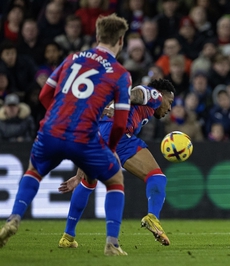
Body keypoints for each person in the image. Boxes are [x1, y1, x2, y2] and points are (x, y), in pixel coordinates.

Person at [0, 14, 132, 256]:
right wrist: (110, 148)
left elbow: (43, 96)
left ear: (97, 36)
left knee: (33, 170)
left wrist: (59, 115)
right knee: (115, 181)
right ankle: (112, 243)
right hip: (84, 136)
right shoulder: (120, 73)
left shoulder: (72, 58)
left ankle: (14, 218)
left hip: (51, 130)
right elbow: (120, 123)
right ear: (121, 41)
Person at [57, 78, 175, 248]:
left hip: (98, 134)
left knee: (87, 182)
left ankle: (67, 237)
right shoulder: (154, 95)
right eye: (169, 102)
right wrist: (117, 105)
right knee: (156, 176)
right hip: (117, 135)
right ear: (162, 95)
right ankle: (152, 217)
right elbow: (136, 93)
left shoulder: (144, 111)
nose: (169, 108)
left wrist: (77, 174)